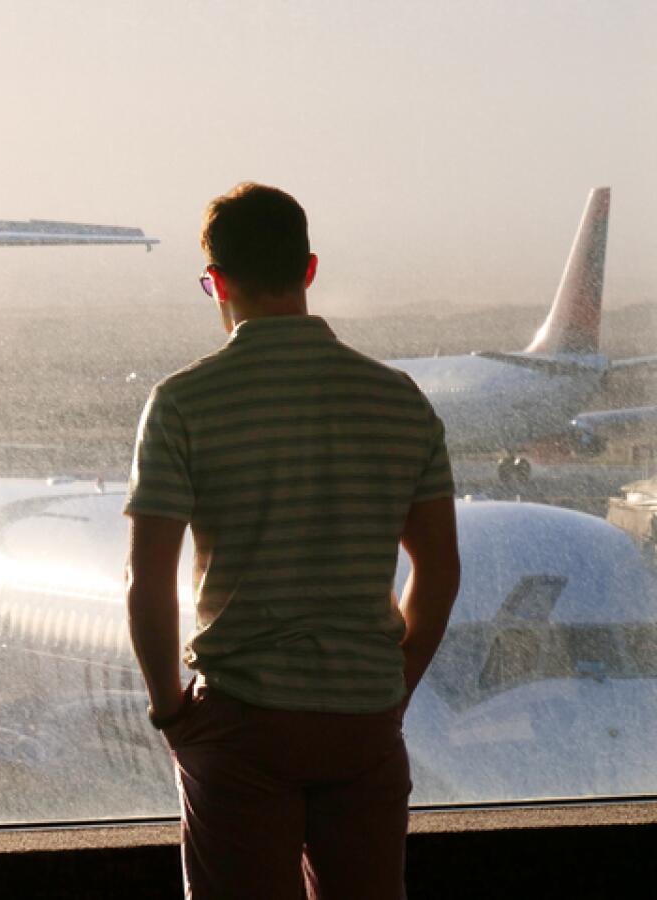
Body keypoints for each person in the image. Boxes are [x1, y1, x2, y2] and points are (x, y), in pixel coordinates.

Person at [123, 183, 461, 899]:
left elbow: (148, 579)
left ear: (215, 280)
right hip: (364, 725)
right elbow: (439, 570)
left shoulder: (184, 403)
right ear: (308, 269)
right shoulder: (399, 399)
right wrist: (393, 687)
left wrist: (168, 708)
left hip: (244, 721)